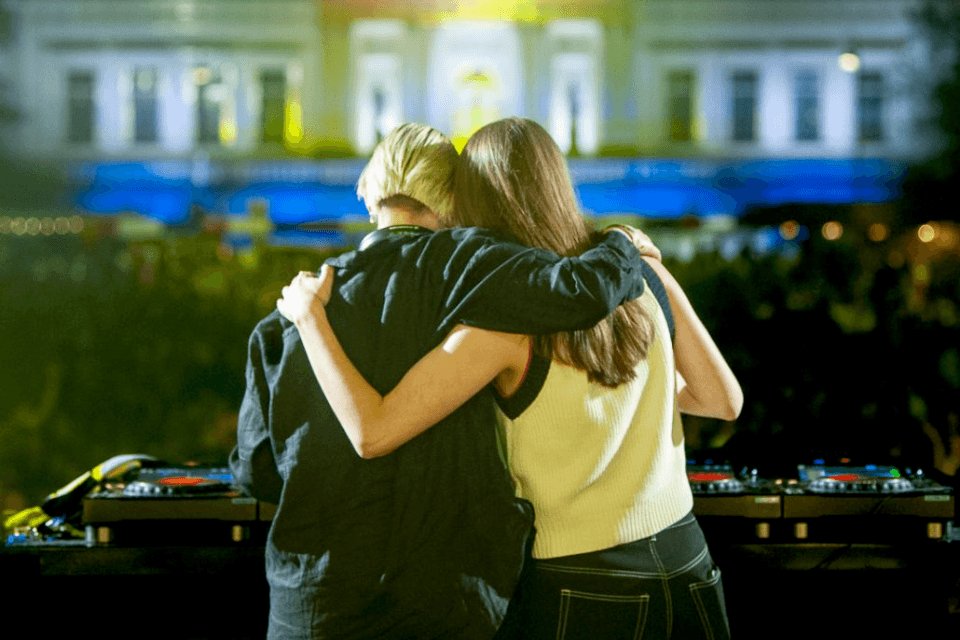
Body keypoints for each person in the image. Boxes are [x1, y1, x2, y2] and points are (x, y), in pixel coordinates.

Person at [277, 117, 743, 639]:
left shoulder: (501, 323)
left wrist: (310, 319)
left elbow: (374, 430)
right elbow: (722, 399)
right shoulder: (643, 270)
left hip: (579, 581)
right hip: (690, 560)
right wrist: (636, 401)